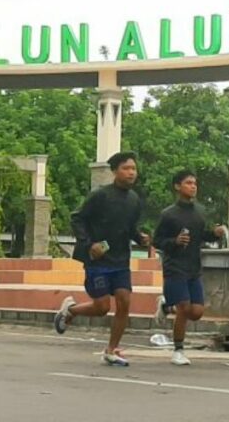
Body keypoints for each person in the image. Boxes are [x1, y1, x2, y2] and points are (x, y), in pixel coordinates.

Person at [53, 151, 150, 367]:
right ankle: (70, 310)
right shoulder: (100, 195)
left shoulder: (134, 200)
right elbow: (77, 218)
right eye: (126, 168)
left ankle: (111, 349)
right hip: (98, 259)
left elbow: (130, 227)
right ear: (115, 171)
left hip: (121, 260)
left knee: (124, 301)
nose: (131, 173)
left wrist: (140, 237)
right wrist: (89, 244)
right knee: (102, 307)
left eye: (133, 168)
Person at [153, 169, 225, 366]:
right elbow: (157, 241)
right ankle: (178, 349)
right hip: (174, 266)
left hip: (193, 267)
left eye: (195, 183)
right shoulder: (168, 214)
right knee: (184, 308)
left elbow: (201, 235)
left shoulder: (200, 212)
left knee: (197, 312)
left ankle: (167, 305)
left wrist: (215, 234)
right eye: (188, 183)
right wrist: (174, 242)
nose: (193, 186)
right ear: (177, 186)